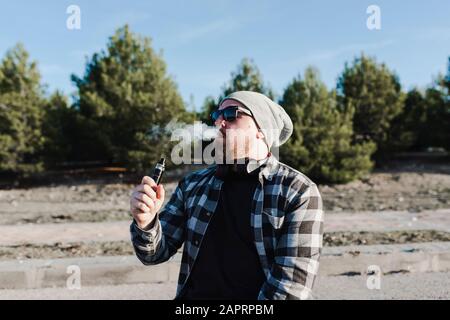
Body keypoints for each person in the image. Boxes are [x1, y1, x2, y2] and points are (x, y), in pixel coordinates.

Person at [129, 91, 323, 300]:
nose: (219, 121)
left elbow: (290, 289)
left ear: (261, 129)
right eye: (216, 115)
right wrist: (146, 222)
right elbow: (153, 254)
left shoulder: (297, 190)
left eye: (231, 114)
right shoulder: (193, 184)